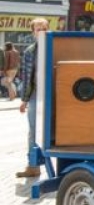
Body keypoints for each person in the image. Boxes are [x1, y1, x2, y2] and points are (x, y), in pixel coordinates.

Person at [16, 18, 50, 178]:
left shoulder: (54, 46)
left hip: (53, 94)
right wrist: (24, 99)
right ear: (33, 32)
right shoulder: (29, 51)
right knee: (33, 131)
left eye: (44, 28)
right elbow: (26, 76)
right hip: (36, 95)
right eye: (38, 29)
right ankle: (33, 166)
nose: (41, 31)